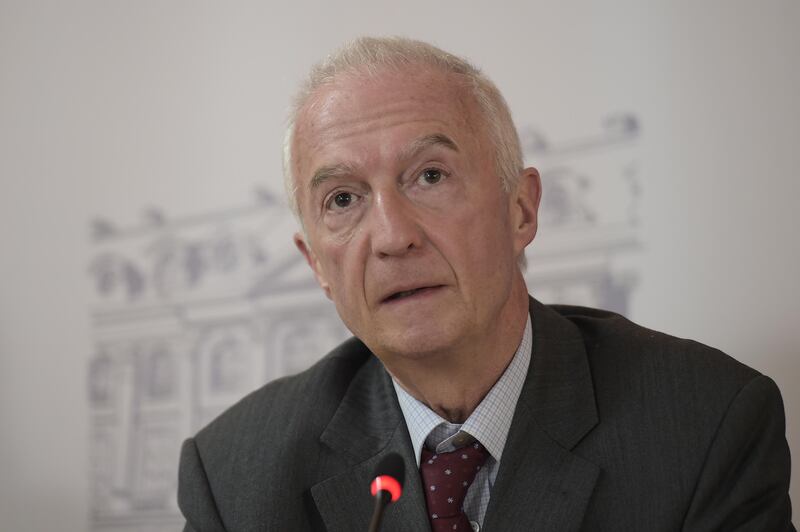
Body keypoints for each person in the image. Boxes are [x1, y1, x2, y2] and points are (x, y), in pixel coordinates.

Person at [178, 36, 794, 531]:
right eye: (343, 198)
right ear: (316, 266)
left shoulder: (704, 425)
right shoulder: (235, 477)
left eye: (430, 176)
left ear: (521, 210)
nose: (393, 237)